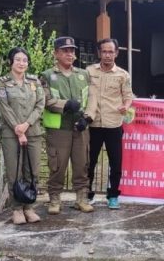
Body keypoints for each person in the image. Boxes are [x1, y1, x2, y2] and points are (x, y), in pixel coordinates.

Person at [42, 36, 96, 214]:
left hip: (80, 128)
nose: (69, 54)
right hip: (59, 129)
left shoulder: (83, 75)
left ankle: (81, 198)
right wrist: (65, 105)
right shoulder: (48, 76)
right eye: (65, 51)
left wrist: (87, 118)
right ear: (56, 53)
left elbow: (92, 99)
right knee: (57, 165)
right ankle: (55, 199)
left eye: (72, 51)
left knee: (82, 165)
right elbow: (46, 100)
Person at [0, 48, 45, 224]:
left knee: (32, 172)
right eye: (18, 60)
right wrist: (18, 129)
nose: (21, 63)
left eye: (25, 60)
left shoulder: (34, 81)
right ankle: (16, 209)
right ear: (11, 62)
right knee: (14, 172)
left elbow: (40, 104)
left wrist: (26, 125)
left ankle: (29, 207)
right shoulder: (3, 83)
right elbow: (4, 107)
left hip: (33, 132)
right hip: (11, 134)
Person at [86, 38, 134, 210]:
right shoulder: (89, 72)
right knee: (89, 162)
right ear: (99, 53)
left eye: (110, 52)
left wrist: (125, 106)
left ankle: (113, 195)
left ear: (116, 53)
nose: (107, 55)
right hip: (93, 124)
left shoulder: (122, 74)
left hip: (114, 123)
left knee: (115, 162)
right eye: (104, 51)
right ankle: (87, 194)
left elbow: (128, 96)